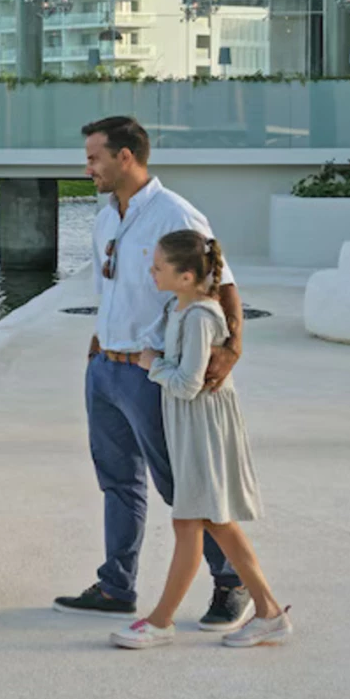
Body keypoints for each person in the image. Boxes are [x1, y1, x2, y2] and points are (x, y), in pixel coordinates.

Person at [56, 115, 251, 627]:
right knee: (117, 480)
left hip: (151, 375)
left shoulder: (174, 213)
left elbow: (223, 281)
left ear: (126, 157)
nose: (87, 168)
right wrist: (101, 339)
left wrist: (231, 347)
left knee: (183, 486)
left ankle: (232, 582)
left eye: (94, 157)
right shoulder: (105, 218)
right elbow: (113, 287)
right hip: (105, 370)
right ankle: (116, 586)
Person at [113, 230, 291, 648]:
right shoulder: (179, 309)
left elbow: (189, 383)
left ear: (188, 276)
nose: (151, 272)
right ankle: (267, 612)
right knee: (213, 522)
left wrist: (151, 365)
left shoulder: (199, 318)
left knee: (192, 521)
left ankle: (160, 622)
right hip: (190, 426)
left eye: (159, 267)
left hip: (202, 427)